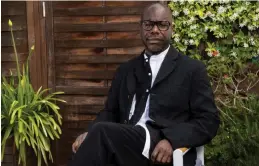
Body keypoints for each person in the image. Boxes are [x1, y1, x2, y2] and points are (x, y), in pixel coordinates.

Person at [69, 2, 219, 166]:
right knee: (89, 142)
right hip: (127, 145)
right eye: (148, 25)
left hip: (161, 148)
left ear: (171, 28)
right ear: (140, 28)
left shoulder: (191, 69)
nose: (155, 30)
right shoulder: (126, 70)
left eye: (162, 25)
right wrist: (89, 132)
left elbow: (208, 120)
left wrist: (172, 139)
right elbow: (110, 112)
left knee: (100, 134)